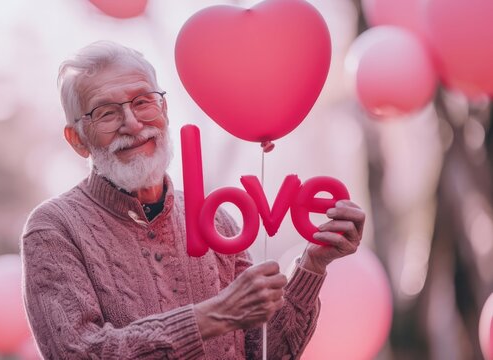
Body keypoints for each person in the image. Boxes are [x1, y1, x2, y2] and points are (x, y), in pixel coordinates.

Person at [21, 41, 365, 359]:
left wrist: (313, 266)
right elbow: (77, 353)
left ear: (164, 109)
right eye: (106, 113)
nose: (132, 123)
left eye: (143, 101)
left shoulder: (217, 220)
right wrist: (214, 315)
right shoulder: (54, 229)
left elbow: (267, 353)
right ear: (77, 139)